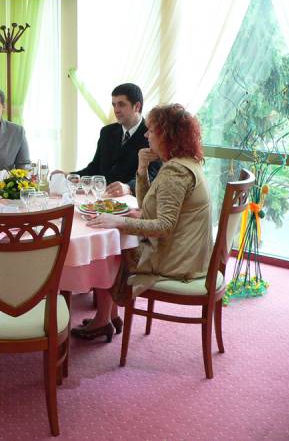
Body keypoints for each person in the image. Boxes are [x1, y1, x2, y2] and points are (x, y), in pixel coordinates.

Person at [72, 103, 212, 341]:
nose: (146, 135)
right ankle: (109, 315)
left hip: (177, 260)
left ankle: (104, 318)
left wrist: (118, 222)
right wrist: (142, 168)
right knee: (116, 242)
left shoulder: (175, 172)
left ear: (167, 135)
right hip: (192, 253)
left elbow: (163, 226)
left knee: (110, 251)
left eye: (152, 130)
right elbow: (148, 205)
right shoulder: (187, 162)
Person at [52, 83, 161, 196]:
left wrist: (128, 187)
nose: (116, 110)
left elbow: (154, 175)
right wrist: (69, 175)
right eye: (114, 105)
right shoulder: (106, 132)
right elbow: (94, 168)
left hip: (132, 201)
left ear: (137, 106)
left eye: (121, 104)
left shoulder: (152, 135)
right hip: (102, 198)